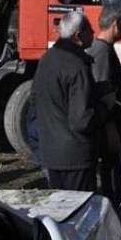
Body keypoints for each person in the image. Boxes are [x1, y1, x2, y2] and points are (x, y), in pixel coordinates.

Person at [33, 10, 97, 191]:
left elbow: (41, 98)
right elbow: (81, 120)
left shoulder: (47, 59)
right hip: (75, 156)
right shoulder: (77, 65)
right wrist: (104, 107)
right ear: (78, 36)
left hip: (51, 153)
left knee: (60, 204)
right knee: (80, 205)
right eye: (90, 29)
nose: (93, 33)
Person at [86, 5, 121, 205]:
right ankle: (118, 203)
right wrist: (111, 129)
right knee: (119, 167)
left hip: (118, 122)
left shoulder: (105, 49)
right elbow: (103, 93)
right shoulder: (101, 50)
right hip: (115, 124)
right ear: (114, 24)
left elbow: (111, 80)